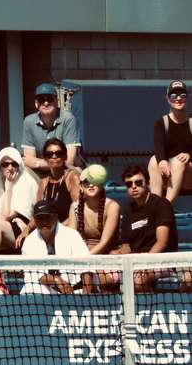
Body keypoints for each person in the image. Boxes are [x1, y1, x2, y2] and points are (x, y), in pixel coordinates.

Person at [114, 165, 179, 293]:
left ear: (147, 182)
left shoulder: (161, 204)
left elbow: (162, 242)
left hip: (161, 261)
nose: (134, 186)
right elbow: (126, 244)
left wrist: (144, 263)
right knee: (104, 278)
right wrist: (118, 254)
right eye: (129, 184)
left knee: (138, 281)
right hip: (135, 261)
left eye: (138, 182)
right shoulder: (128, 211)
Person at [15, 138, 80, 248]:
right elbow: (38, 212)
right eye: (49, 154)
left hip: (68, 231)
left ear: (64, 157)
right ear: (45, 158)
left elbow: (78, 210)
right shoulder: (44, 183)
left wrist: (56, 229)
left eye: (58, 153)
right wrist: (27, 230)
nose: (54, 156)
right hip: (48, 231)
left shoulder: (72, 177)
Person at [21, 200, 93, 295]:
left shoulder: (72, 235)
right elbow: (33, 275)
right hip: (45, 290)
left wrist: (86, 296)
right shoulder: (29, 242)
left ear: (55, 217)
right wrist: (57, 281)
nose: (44, 222)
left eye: (48, 217)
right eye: (40, 218)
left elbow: (86, 267)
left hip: (74, 290)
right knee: (29, 289)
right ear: (34, 219)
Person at [67, 165, 121, 292]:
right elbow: (71, 239)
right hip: (82, 262)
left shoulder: (113, 206)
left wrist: (84, 260)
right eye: (86, 182)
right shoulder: (74, 207)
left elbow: (104, 242)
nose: (90, 185)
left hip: (107, 263)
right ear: (80, 186)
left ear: (101, 184)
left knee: (88, 278)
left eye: (94, 181)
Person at [0, 146, 38, 253]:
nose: (10, 168)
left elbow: (5, 217)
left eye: (14, 164)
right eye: (5, 164)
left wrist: (9, 187)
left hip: (23, 233)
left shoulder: (27, 183)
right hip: (3, 229)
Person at [22, 83, 80, 177]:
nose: (46, 103)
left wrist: (37, 163)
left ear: (57, 102)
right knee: (23, 174)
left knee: (73, 176)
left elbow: (69, 161)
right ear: (36, 104)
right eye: (41, 100)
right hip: (40, 173)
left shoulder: (68, 119)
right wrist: (55, 163)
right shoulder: (29, 121)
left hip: (65, 172)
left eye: (49, 99)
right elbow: (28, 160)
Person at [148, 80, 192, 204]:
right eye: (174, 95)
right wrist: (162, 161)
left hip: (189, 175)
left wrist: (189, 155)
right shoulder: (161, 123)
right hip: (170, 175)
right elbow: (159, 146)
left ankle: (166, 205)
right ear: (168, 99)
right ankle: (155, 205)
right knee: (154, 160)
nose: (178, 98)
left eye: (182, 95)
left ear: (187, 98)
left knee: (178, 161)